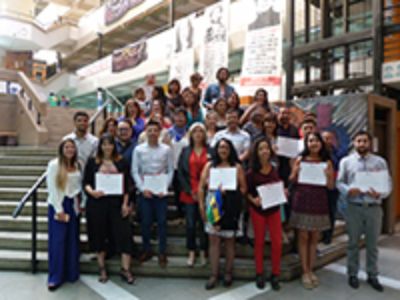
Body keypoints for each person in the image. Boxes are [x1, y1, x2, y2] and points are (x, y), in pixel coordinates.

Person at [337, 131, 392, 292]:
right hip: (354, 207)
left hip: (374, 208)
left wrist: (381, 193)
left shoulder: (380, 162)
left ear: (369, 143)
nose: (362, 144)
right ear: (354, 142)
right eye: (359, 141)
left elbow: (388, 183)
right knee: (353, 243)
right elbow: (340, 182)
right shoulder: (346, 162)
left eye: (365, 141)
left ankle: (372, 275)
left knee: (372, 245)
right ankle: (352, 273)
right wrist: (348, 190)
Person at [83, 134, 134, 284]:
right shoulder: (93, 162)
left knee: (124, 234)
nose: (107, 147)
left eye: (110, 144)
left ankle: (126, 269)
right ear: (100, 146)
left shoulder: (122, 162)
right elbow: (86, 182)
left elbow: (127, 185)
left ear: (114, 146)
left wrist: (126, 204)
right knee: (99, 234)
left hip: (117, 203)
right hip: (97, 203)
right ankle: (102, 268)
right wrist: (92, 192)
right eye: (104, 144)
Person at [199, 138, 247, 289]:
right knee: (214, 240)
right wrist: (201, 206)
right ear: (216, 150)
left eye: (226, 147)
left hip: (231, 206)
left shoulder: (237, 167)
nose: (223, 150)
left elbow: (244, 189)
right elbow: (201, 187)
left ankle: (228, 272)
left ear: (230, 149)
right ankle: (214, 274)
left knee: (229, 241)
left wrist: (231, 191)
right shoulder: (209, 166)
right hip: (214, 205)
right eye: (220, 147)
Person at [289, 132, 334, 289]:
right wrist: (295, 171)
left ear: (321, 143)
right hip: (302, 200)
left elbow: (330, 187)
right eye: (310, 140)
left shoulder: (327, 162)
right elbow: (292, 180)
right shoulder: (300, 160)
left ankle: (311, 269)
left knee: (314, 236)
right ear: (306, 143)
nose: (313, 143)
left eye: (316, 140)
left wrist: (329, 176)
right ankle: (304, 270)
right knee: (302, 236)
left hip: (318, 201)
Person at [132, 120, 174, 268]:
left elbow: (170, 170)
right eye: (149, 130)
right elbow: (135, 171)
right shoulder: (138, 150)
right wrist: (142, 188)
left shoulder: (166, 150)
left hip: (161, 191)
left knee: (162, 222)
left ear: (160, 132)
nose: (152, 133)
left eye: (155, 130)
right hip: (145, 190)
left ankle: (162, 252)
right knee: (145, 222)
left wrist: (165, 187)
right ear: (145, 132)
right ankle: (147, 249)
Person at [247, 138, 282, 290]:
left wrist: (283, 191)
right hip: (258, 210)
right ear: (256, 152)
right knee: (259, 242)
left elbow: (279, 185)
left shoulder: (275, 169)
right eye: (261, 148)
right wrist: (253, 200)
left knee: (277, 243)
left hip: (274, 209)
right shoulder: (251, 172)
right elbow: (246, 192)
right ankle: (259, 273)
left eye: (267, 148)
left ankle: (275, 273)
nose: (264, 151)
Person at [46, 139, 81, 291]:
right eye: (67, 147)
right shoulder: (54, 165)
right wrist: (59, 210)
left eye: (72, 147)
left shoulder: (78, 165)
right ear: (62, 149)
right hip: (58, 204)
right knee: (58, 242)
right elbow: (52, 189)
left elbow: (79, 186)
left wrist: (81, 204)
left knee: (72, 240)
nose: (70, 150)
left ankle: (71, 273)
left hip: (73, 205)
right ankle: (55, 276)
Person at [177, 123, 212, 267]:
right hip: (189, 193)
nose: (198, 134)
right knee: (191, 224)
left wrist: (205, 188)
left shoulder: (211, 151)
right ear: (190, 135)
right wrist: (189, 190)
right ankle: (191, 251)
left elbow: (215, 170)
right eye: (195, 131)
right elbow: (180, 172)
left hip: (207, 192)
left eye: (201, 131)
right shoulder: (185, 151)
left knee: (205, 223)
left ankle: (204, 251)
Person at [321, 130, 346, 244]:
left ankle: (328, 235)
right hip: (319, 186)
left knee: (331, 211)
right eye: (324, 138)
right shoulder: (317, 152)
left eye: (329, 138)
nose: (327, 140)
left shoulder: (339, 153)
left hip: (333, 186)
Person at [168, 108, 189, 222]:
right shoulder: (168, 133)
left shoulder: (189, 132)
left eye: (182, 116)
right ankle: (180, 214)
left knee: (185, 190)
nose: (179, 118)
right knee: (176, 191)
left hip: (186, 168)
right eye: (177, 116)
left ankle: (186, 214)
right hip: (173, 166)